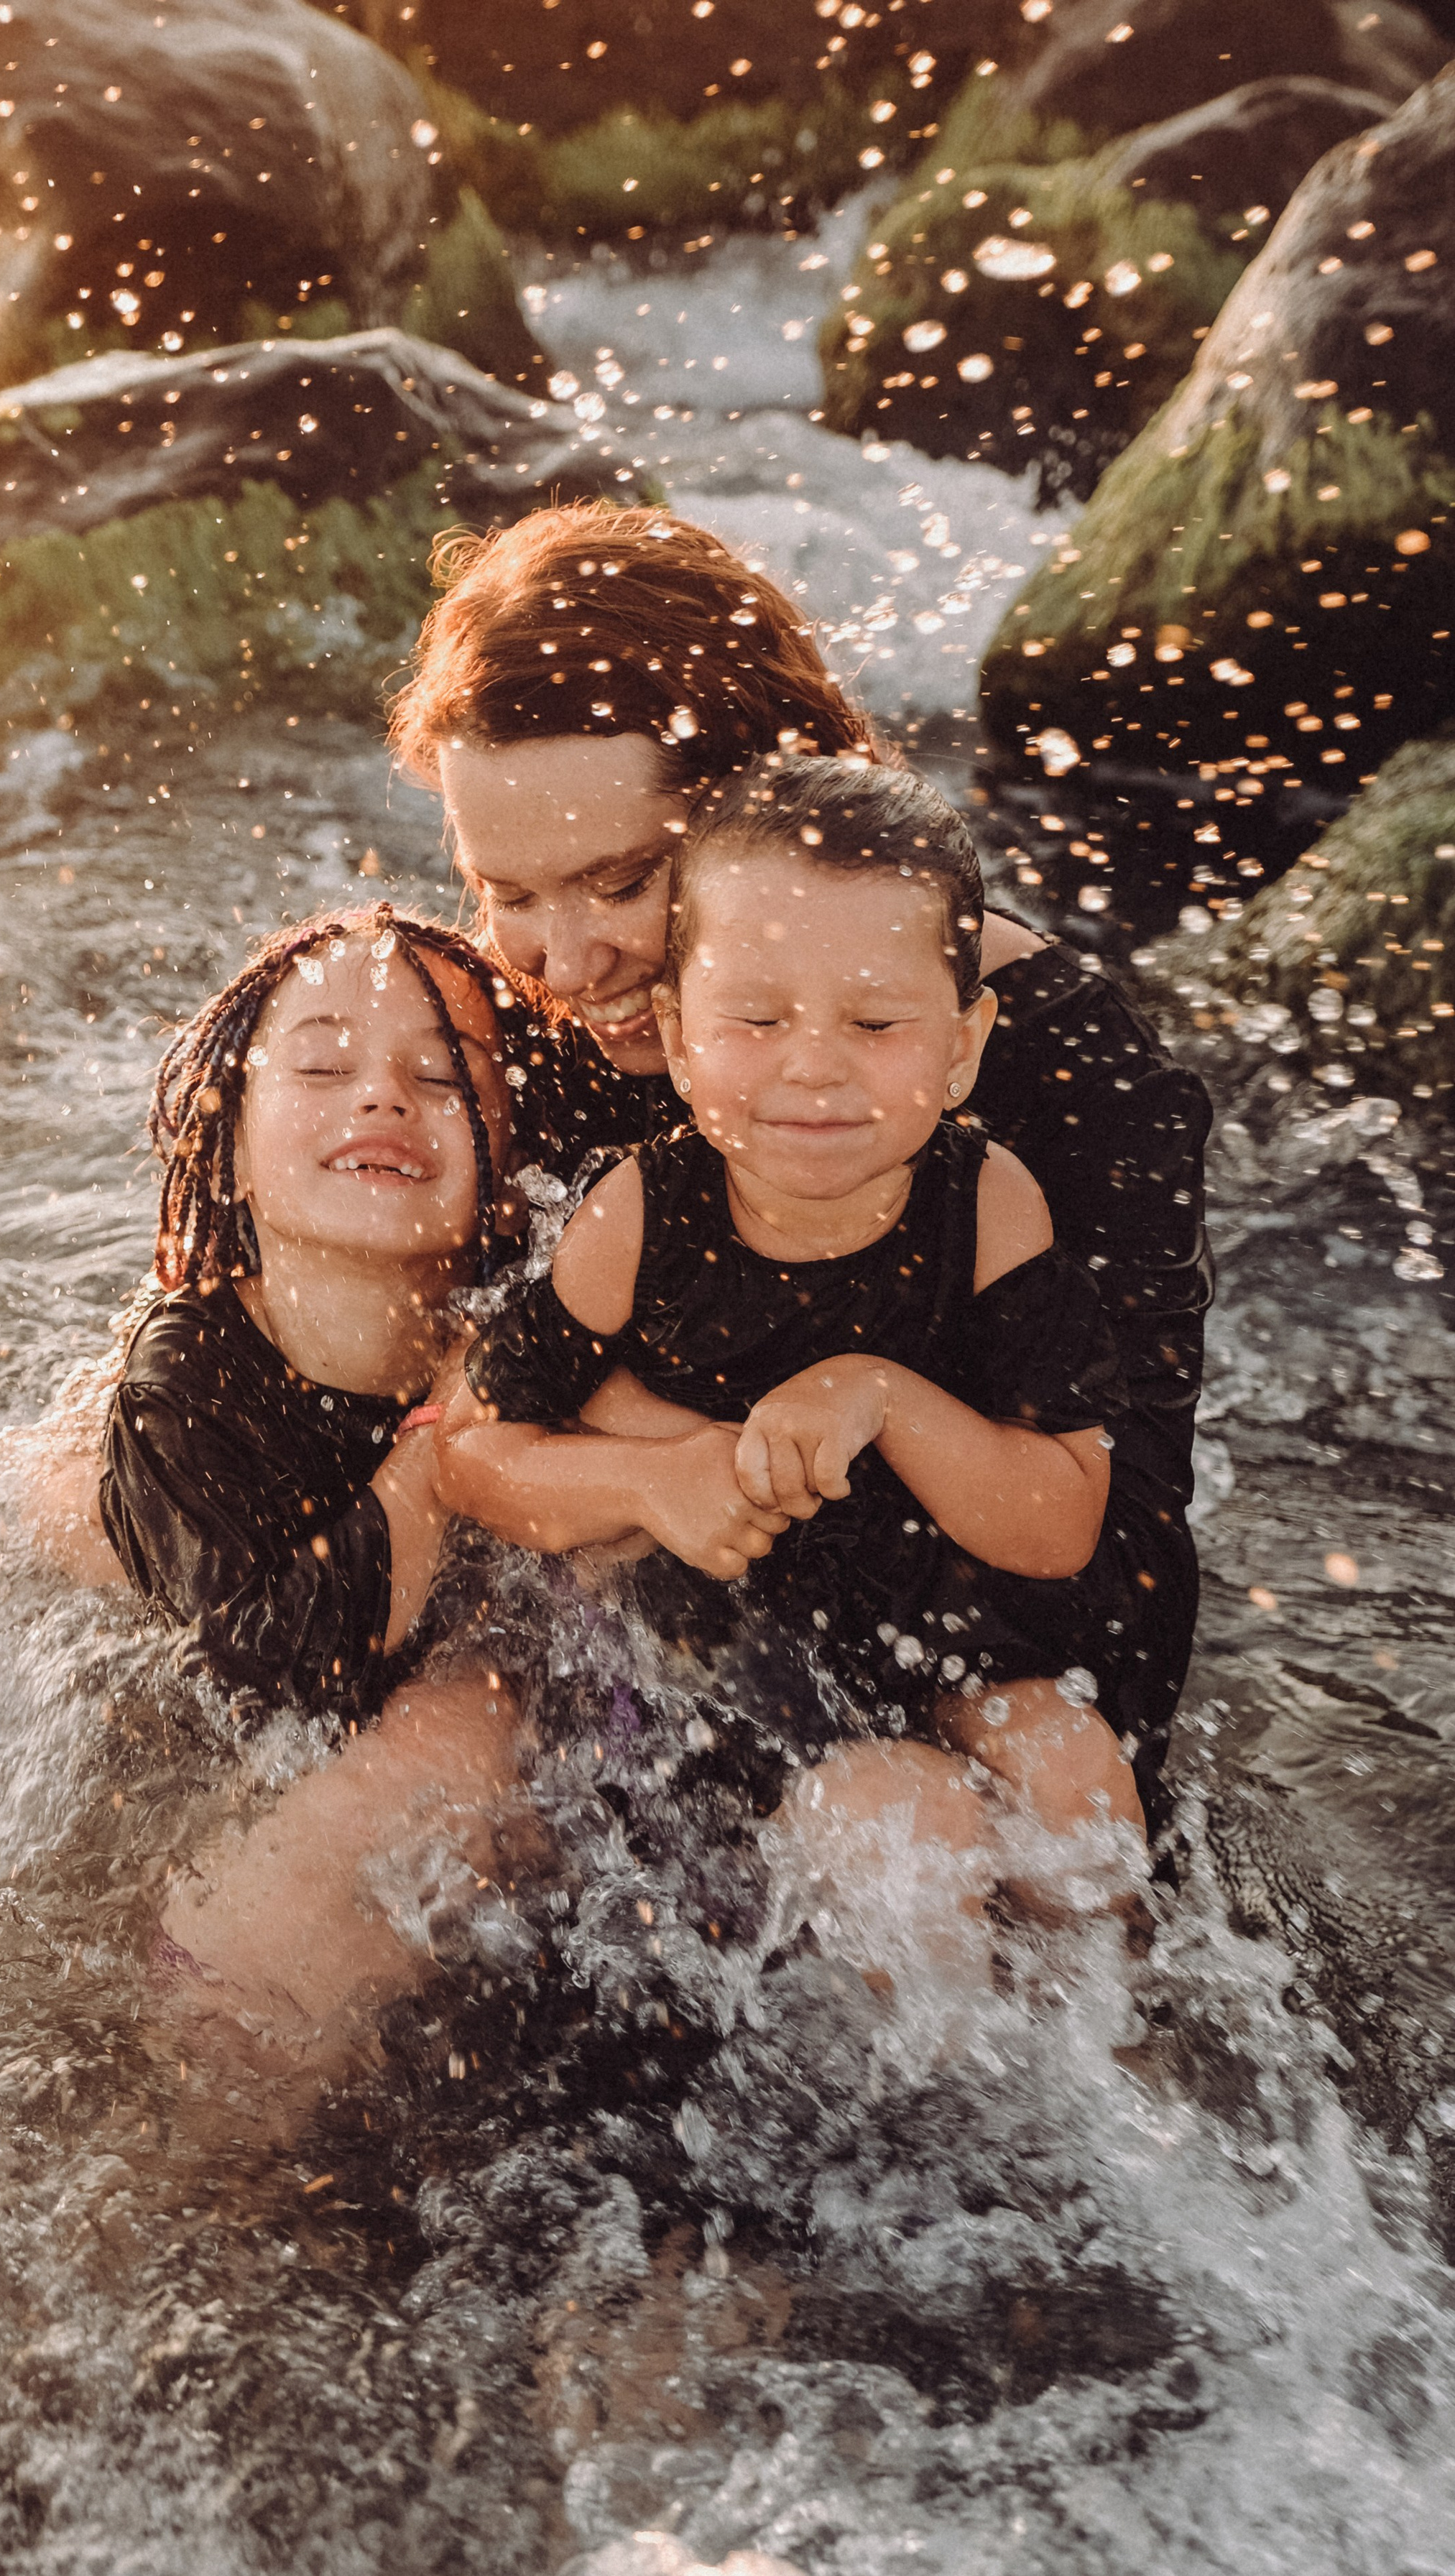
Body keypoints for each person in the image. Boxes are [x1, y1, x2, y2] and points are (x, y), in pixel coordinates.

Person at [391, 504, 1212, 1836]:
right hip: (625, 1662)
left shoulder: (1070, 1079)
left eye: (617, 884)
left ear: (784, 806)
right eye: (509, 892)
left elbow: (1117, 1568)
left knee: (916, 1837)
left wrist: (677, 1429)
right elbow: (441, 1403)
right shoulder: (531, 1017)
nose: (562, 959)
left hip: (963, 1705)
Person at [439, 760, 1143, 1998]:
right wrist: (658, 1481)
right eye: (756, 1022)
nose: (814, 1069)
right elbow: (479, 1451)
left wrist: (881, 1391)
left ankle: (1117, 2067)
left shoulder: (988, 1204)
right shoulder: (638, 1219)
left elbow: (1060, 1524)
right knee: (903, 1822)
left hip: (942, 1624)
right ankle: (939, 2121)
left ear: (965, 1044)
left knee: (1077, 1774)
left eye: (875, 1027)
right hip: (733, 1660)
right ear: (678, 1034)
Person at [97, 904, 532, 2074]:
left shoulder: (552, 1316)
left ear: (513, 1161)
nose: (382, 1097)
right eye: (325, 1064)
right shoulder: (184, 1382)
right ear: (228, 1137)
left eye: (443, 1076)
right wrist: (441, 1442)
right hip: (247, 1738)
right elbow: (286, 1663)